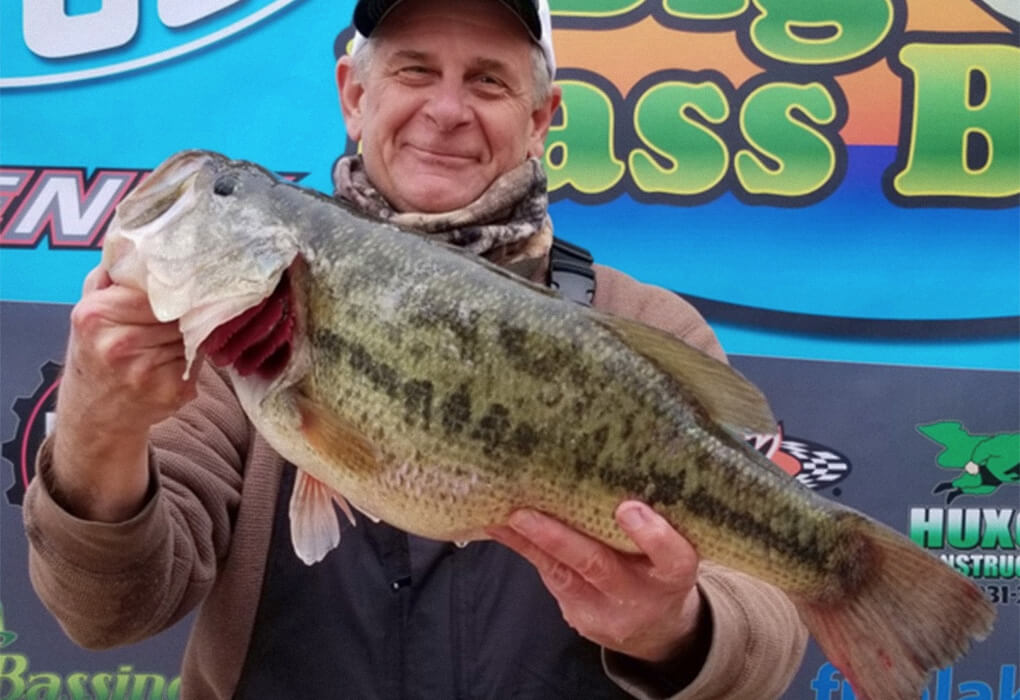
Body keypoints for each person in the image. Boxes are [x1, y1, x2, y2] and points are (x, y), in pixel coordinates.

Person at [24, 0, 808, 697]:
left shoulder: (650, 327)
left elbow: (767, 629)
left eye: (489, 82)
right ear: (355, 96)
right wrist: (98, 427)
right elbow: (110, 611)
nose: (446, 108)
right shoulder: (239, 328)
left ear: (540, 120)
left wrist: (672, 627)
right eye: (415, 71)